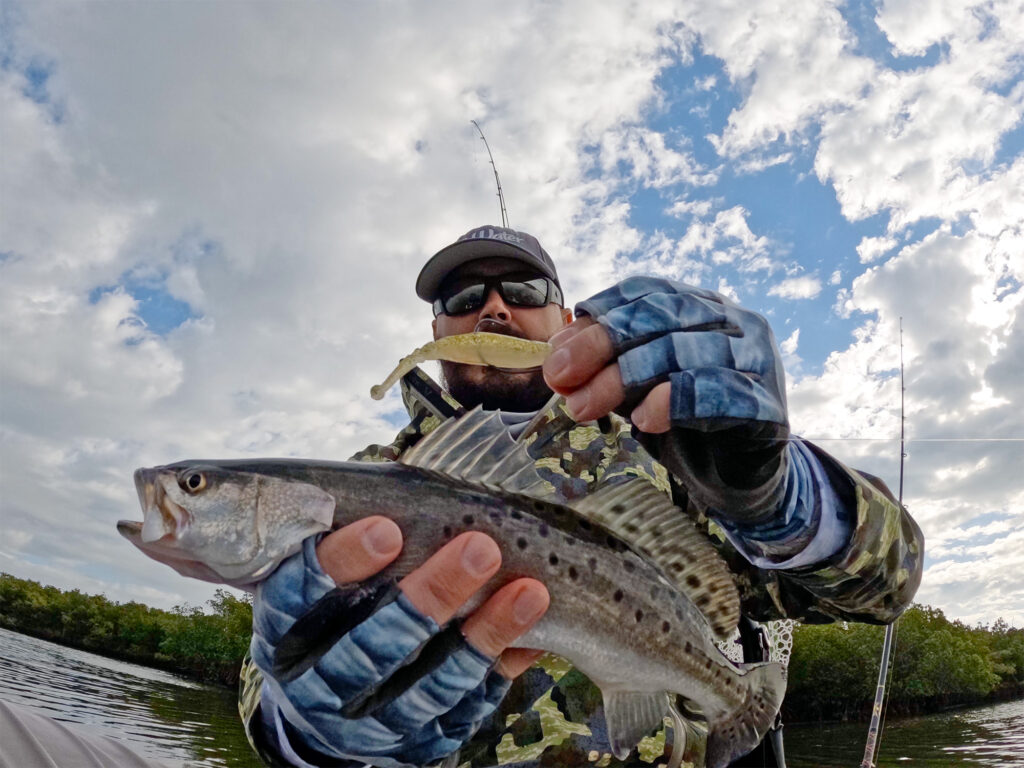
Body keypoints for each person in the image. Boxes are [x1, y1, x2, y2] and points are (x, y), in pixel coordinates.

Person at [239, 225, 924, 768]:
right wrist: (307, 734)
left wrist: (776, 495)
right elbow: (264, 687)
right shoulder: (365, 483)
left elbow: (885, 588)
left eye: (523, 289)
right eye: (461, 300)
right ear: (435, 334)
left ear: (565, 317)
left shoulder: (662, 442)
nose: (494, 308)